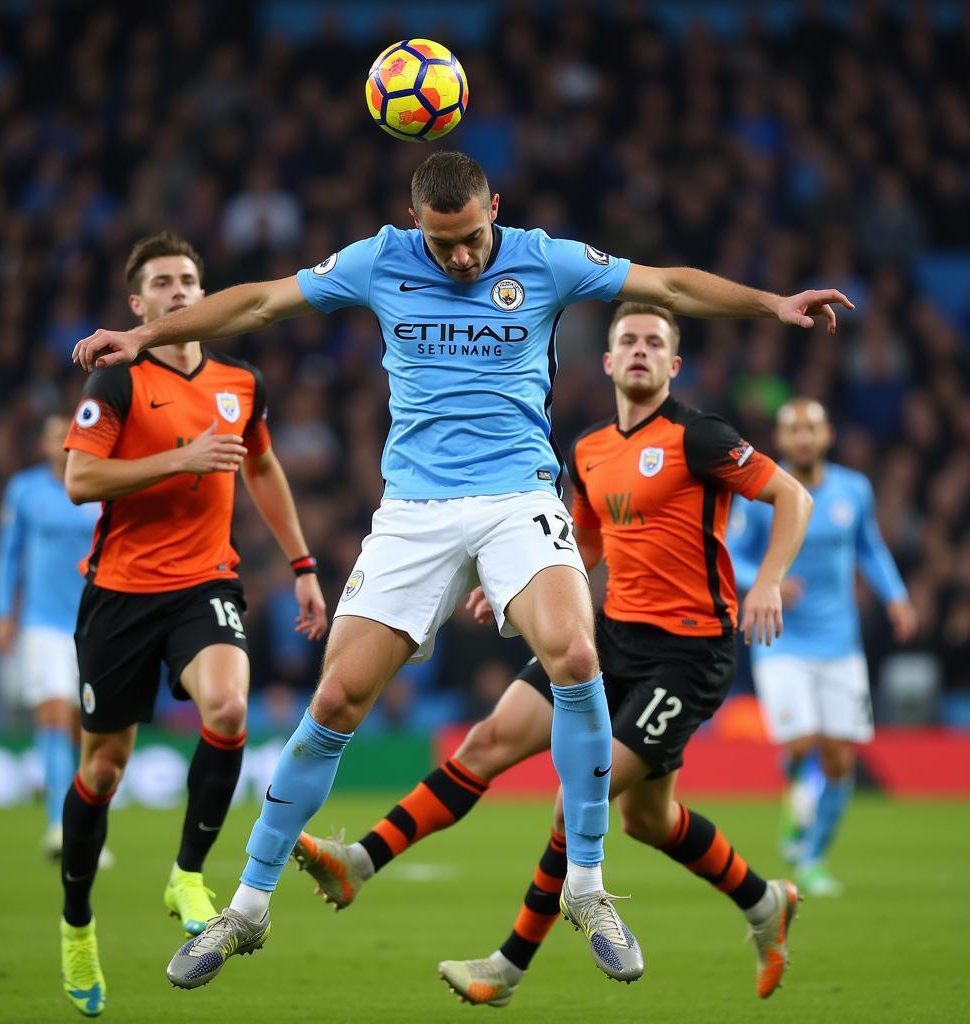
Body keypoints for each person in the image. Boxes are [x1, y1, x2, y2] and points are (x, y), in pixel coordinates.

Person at [71, 151, 850, 993]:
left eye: (475, 239)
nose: (464, 259)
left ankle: (586, 886)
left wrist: (772, 302)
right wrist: (147, 338)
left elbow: (668, 285)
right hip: (413, 512)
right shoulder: (378, 261)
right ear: (417, 228)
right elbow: (260, 303)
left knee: (576, 654)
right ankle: (248, 908)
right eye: (444, 246)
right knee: (336, 700)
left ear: (496, 212)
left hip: (518, 495)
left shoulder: (543, 258)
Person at [293, 303, 813, 1004]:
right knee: (556, 773)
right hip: (613, 636)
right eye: (626, 340)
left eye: (654, 343)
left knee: (582, 792)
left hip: (687, 656)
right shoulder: (591, 449)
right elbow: (587, 542)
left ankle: (505, 969)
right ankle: (359, 860)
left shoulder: (700, 437)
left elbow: (792, 497)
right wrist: (513, 583)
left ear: (673, 365)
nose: (638, 351)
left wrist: (771, 582)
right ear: (605, 361)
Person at [58, 231, 327, 1018]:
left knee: (230, 707)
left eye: (189, 280)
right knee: (103, 769)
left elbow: (262, 465)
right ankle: (77, 926)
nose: (179, 291)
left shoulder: (241, 381)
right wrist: (177, 460)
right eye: (162, 283)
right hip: (118, 595)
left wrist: (304, 566)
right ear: (137, 305)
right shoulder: (117, 383)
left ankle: (187, 874)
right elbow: (81, 479)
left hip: (205, 583)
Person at [728, 398, 916, 896]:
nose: (804, 436)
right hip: (782, 639)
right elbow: (731, 555)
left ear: (828, 434)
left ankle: (812, 856)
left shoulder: (853, 490)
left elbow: (869, 547)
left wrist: (896, 597)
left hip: (840, 643)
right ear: (782, 439)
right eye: (794, 429)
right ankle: (796, 783)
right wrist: (768, 580)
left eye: (812, 426)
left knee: (838, 756)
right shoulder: (762, 492)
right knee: (801, 744)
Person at [0, 412, 104, 860]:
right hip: (41, 624)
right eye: (57, 436)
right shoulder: (24, 491)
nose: (65, 442)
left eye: (71, 434)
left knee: (84, 727)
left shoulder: (100, 484)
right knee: (54, 711)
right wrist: (4, 614)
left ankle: (81, 818)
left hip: (93, 624)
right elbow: (8, 555)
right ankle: (60, 825)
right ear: (44, 444)